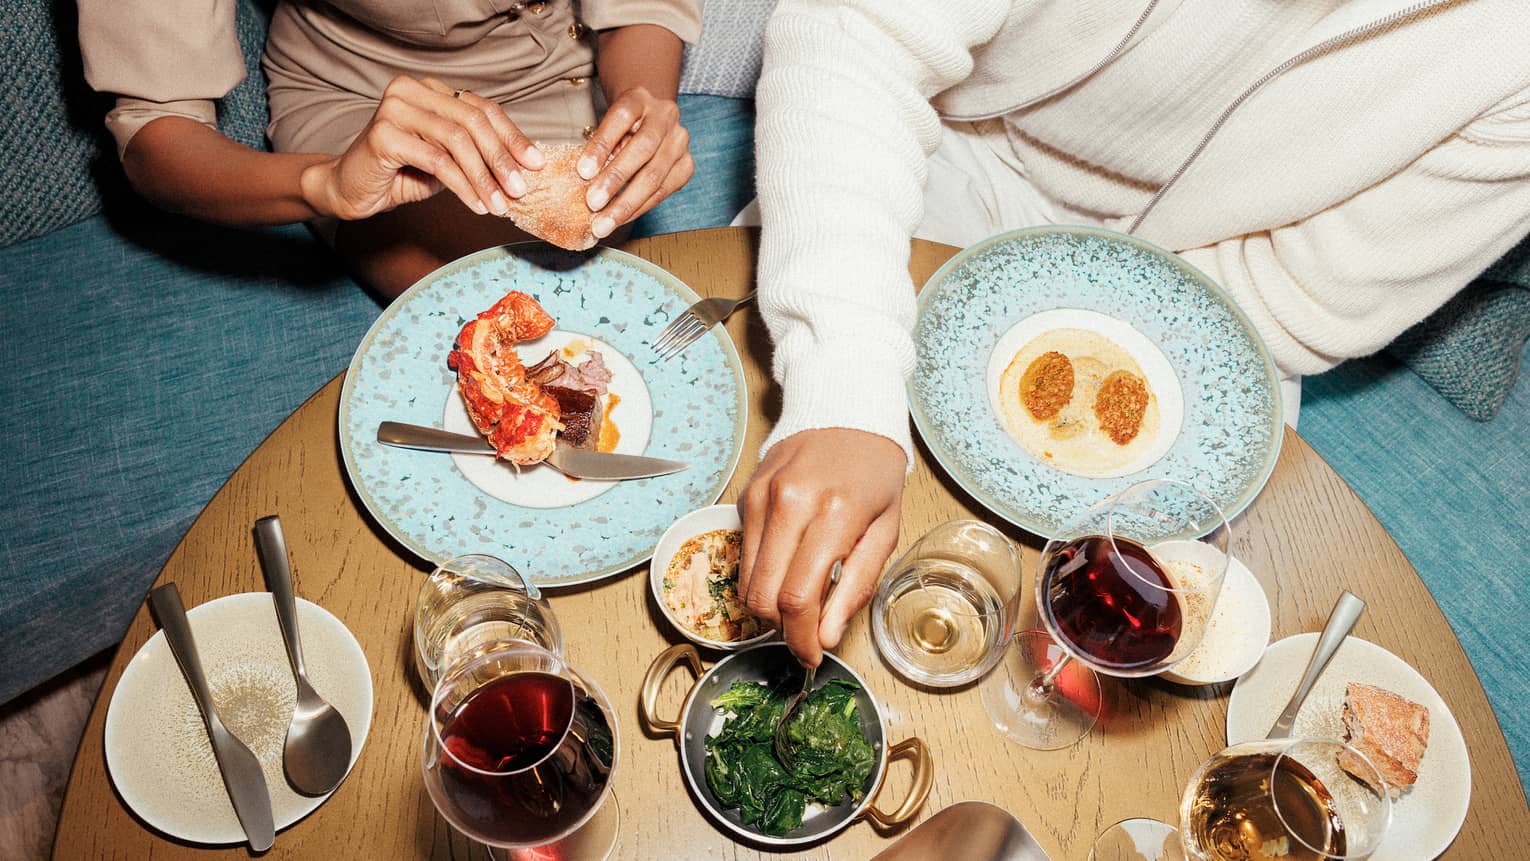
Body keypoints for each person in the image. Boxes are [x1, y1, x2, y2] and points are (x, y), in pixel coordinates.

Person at [737, 0, 1530, 666]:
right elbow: (862, 35)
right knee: (782, 470)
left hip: (1210, 297)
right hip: (956, 144)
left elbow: (1301, 297)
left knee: (1149, 630)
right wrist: (844, 383)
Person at [77, 0, 702, 298]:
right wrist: (323, 186)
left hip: (588, 54)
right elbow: (155, 138)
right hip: (370, 104)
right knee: (536, 340)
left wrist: (643, 98)